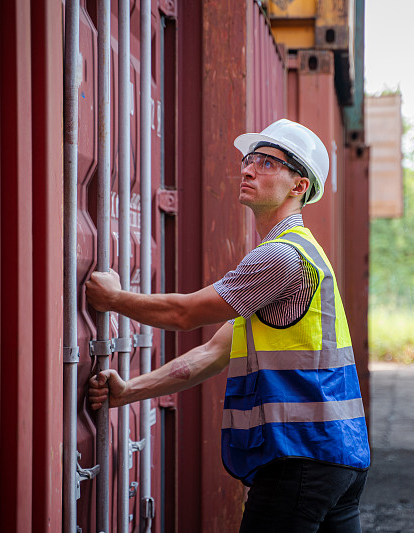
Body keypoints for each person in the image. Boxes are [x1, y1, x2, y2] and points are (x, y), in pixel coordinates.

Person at [86, 119, 370, 532]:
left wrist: (114, 299)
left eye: (268, 163)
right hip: (338, 458)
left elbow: (185, 315)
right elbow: (211, 353)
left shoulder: (283, 258)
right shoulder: (302, 257)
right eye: (249, 159)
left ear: (299, 186)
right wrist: (130, 392)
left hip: (300, 458)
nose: (249, 169)